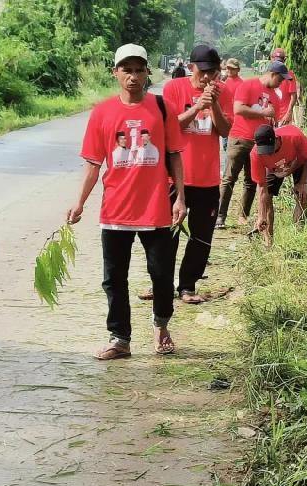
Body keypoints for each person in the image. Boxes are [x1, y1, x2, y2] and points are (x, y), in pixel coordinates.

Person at [66, 43, 187, 360]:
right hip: (116, 210)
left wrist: (181, 200)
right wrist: (79, 203)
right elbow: (93, 162)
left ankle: (161, 326)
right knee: (113, 278)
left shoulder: (162, 109)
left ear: (148, 72)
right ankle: (120, 339)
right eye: (126, 70)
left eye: (139, 69)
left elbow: (174, 154)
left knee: (161, 275)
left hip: (157, 209)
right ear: (115, 73)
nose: (133, 76)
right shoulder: (102, 112)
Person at [159, 44, 232, 304]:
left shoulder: (223, 92)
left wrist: (213, 106)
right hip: (174, 177)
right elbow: (168, 127)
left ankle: (187, 286)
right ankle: (161, 284)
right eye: (202, 71)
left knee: (202, 237)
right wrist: (196, 106)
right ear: (191, 67)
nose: (207, 77)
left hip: (207, 178)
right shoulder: (173, 89)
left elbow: (224, 131)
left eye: (212, 72)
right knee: (167, 234)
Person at [216, 61, 290, 229]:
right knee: (229, 177)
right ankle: (220, 215)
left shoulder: (276, 98)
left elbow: (273, 122)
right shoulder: (248, 85)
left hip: (259, 146)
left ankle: (244, 215)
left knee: (251, 180)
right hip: (240, 138)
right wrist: (262, 112)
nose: (281, 82)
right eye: (280, 79)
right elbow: (238, 109)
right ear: (272, 73)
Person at [250, 124, 307, 245]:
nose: (268, 155)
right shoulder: (256, 154)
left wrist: (303, 182)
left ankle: (299, 237)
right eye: (264, 151)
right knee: (267, 199)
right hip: (274, 169)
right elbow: (262, 187)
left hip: (298, 162)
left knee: (301, 196)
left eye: (269, 149)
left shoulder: (294, 136)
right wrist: (261, 215)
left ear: (277, 139)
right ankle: (269, 242)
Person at [271, 48, 298, 126]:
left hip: (284, 115)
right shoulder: (268, 74)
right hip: (271, 115)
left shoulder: (289, 75)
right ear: (272, 59)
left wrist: (288, 113)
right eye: (276, 60)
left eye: (280, 60)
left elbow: (294, 96)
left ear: (284, 60)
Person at [221, 58, 244, 151]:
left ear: (238, 70)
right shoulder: (223, 82)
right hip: (224, 118)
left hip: (235, 120)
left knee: (232, 148)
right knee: (225, 146)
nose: (229, 70)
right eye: (228, 68)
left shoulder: (241, 84)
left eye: (232, 68)